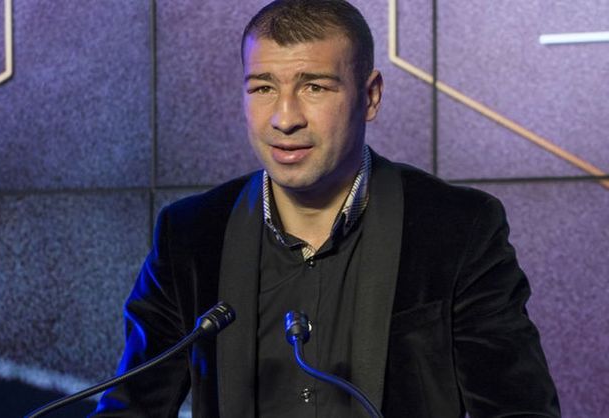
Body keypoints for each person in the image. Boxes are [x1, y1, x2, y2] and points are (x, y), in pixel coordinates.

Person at [93, 1, 560, 417]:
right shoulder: (190, 234)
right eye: (262, 89)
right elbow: (130, 408)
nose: (285, 118)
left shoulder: (458, 228)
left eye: (314, 87)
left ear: (370, 96)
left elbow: (518, 409)